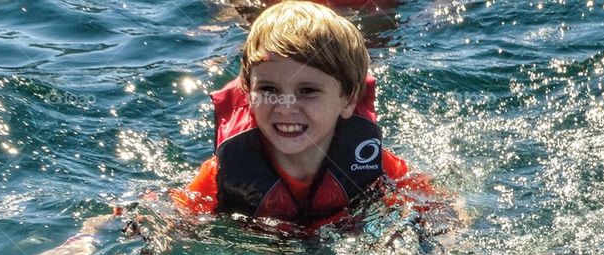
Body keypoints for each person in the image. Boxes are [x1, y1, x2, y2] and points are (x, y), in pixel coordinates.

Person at [169, 0, 442, 231]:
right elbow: (176, 217)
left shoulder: (371, 161)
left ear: (348, 99)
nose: (286, 107)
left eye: (308, 91)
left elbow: (435, 205)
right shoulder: (222, 172)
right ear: (247, 91)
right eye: (268, 89)